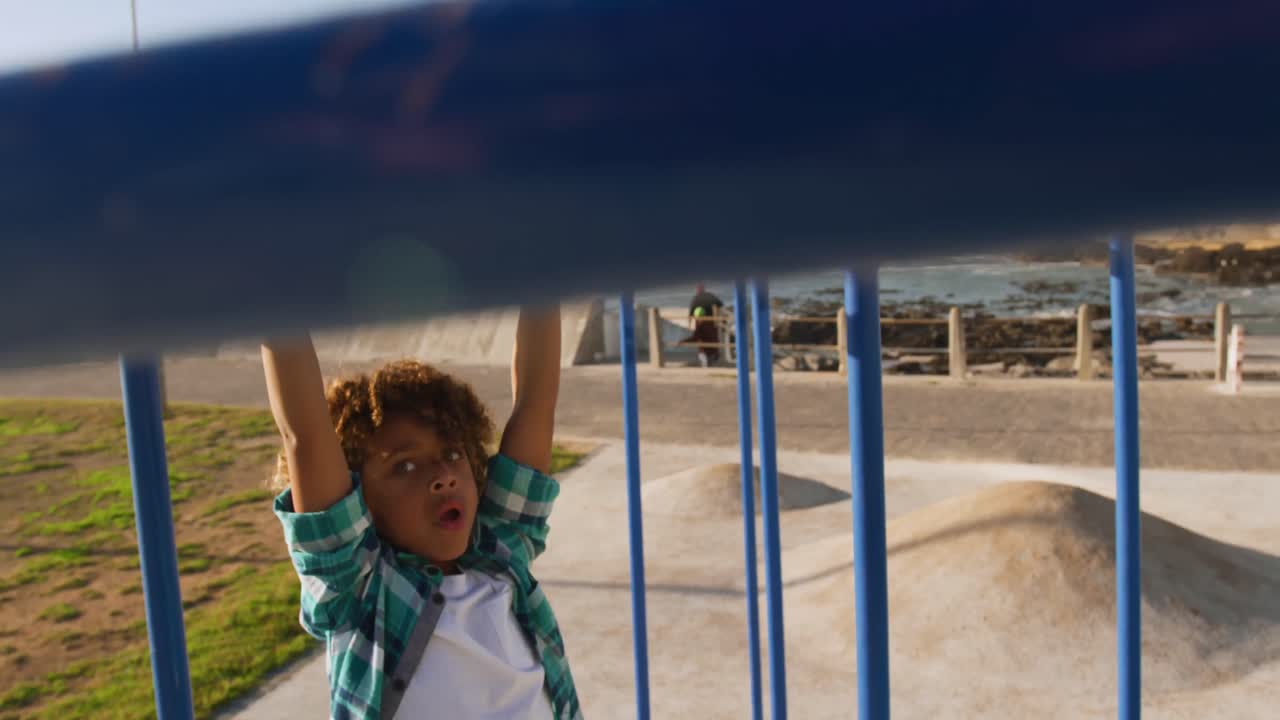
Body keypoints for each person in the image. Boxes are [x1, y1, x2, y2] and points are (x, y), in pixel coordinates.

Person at [262, 306, 581, 720]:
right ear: (360, 501)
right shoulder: (363, 587)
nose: (444, 476)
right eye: (405, 466)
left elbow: (536, 402)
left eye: (452, 453)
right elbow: (304, 433)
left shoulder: (500, 550)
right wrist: (273, 300)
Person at [686, 283, 724, 367]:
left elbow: (690, 313)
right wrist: (718, 317)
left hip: (700, 322)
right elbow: (720, 304)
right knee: (712, 340)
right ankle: (712, 357)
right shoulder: (709, 296)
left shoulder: (696, 298)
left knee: (702, 342)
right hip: (710, 322)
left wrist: (689, 325)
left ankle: (706, 359)